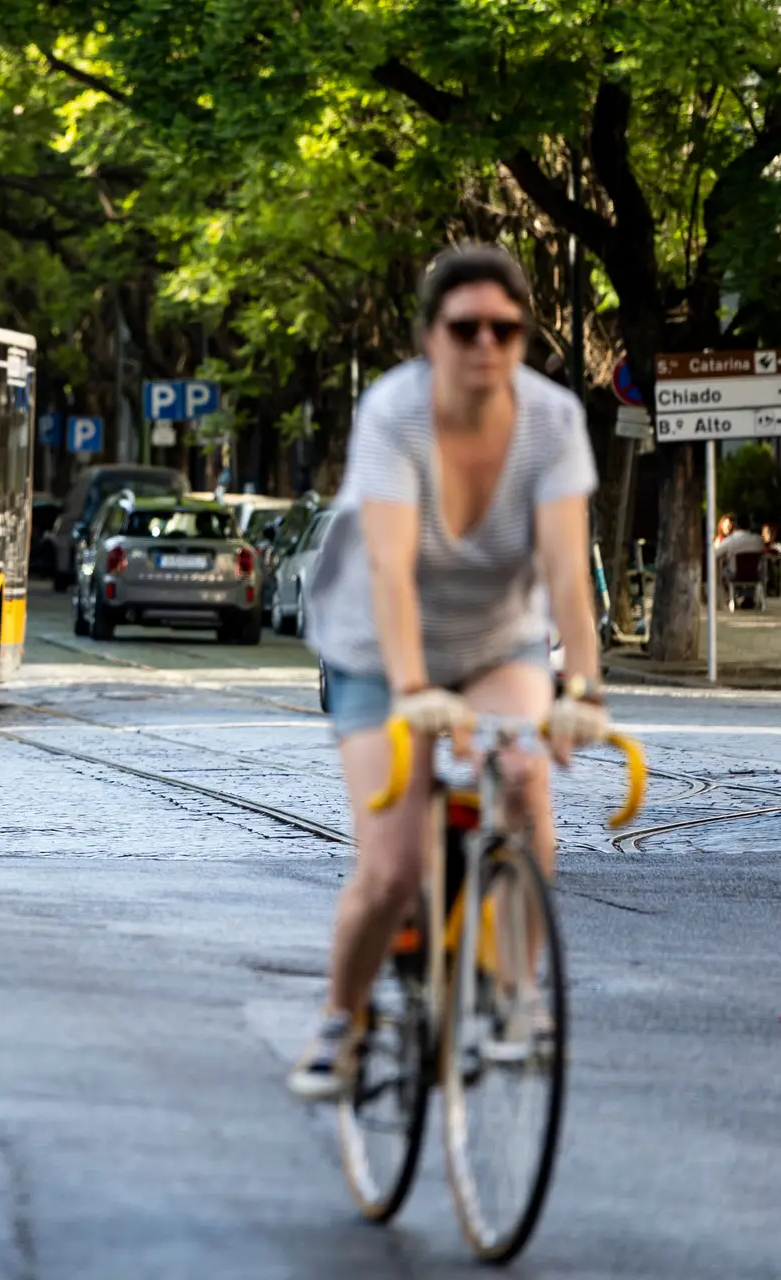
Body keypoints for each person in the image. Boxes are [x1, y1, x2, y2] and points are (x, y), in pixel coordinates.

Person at [287, 244, 613, 1102]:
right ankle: (341, 1019)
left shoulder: (552, 421)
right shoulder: (395, 414)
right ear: (430, 337)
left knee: (524, 775)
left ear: (524, 338)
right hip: (374, 646)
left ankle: (515, 997)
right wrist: (410, 689)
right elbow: (391, 569)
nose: (485, 345)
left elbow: (568, 573)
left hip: (498, 640)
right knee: (392, 866)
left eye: (505, 329)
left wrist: (581, 689)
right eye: (464, 327)